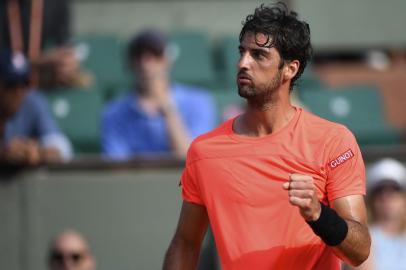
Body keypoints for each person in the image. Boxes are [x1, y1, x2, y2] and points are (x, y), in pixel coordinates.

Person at [163, 3, 371, 270]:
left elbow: (360, 250)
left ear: (290, 69)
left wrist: (319, 215)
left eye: (258, 55)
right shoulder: (204, 151)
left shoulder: (333, 141)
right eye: (242, 52)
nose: (242, 63)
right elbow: (186, 243)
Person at [101, 29, 216, 159]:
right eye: (138, 56)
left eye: (155, 55)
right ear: (130, 63)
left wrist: (168, 110)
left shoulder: (199, 102)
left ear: (168, 60)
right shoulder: (113, 113)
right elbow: (117, 167)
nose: (145, 64)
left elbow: (192, 159)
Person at [0, 50, 72, 166]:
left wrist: (40, 153)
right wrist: (3, 152)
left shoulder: (32, 101)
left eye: (24, 83)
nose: (19, 91)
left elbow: (60, 145)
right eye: (11, 84)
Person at [347, 158, 406, 270]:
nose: (386, 197)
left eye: (394, 190)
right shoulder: (363, 240)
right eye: (380, 190)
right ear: (372, 200)